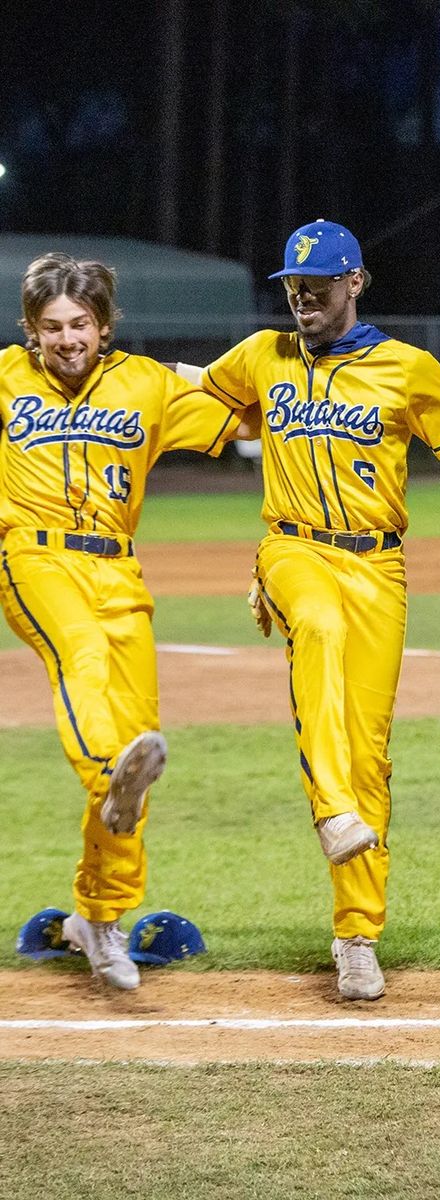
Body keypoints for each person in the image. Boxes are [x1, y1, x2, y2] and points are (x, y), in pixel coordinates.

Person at [194, 220, 440, 1001]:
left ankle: (356, 935)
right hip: (292, 548)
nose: (303, 294)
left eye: (319, 281)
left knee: (370, 751)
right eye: (293, 284)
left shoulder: (408, 369)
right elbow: (192, 403)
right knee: (319, 628)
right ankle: (332, 810)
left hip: (377, 565)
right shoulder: (260, 357)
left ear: (356, 283)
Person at [0, 252, 246, 990]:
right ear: (30, 331)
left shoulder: (147, 385)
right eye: (52, 327)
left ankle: (98, 920)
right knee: (81, 662)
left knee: (141, 741)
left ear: (104, 327)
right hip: (32, 558)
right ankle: (111, 775)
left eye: (80, 324)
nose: (67, 338)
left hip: (120, 570)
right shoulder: (6, 378)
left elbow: (244, 413)